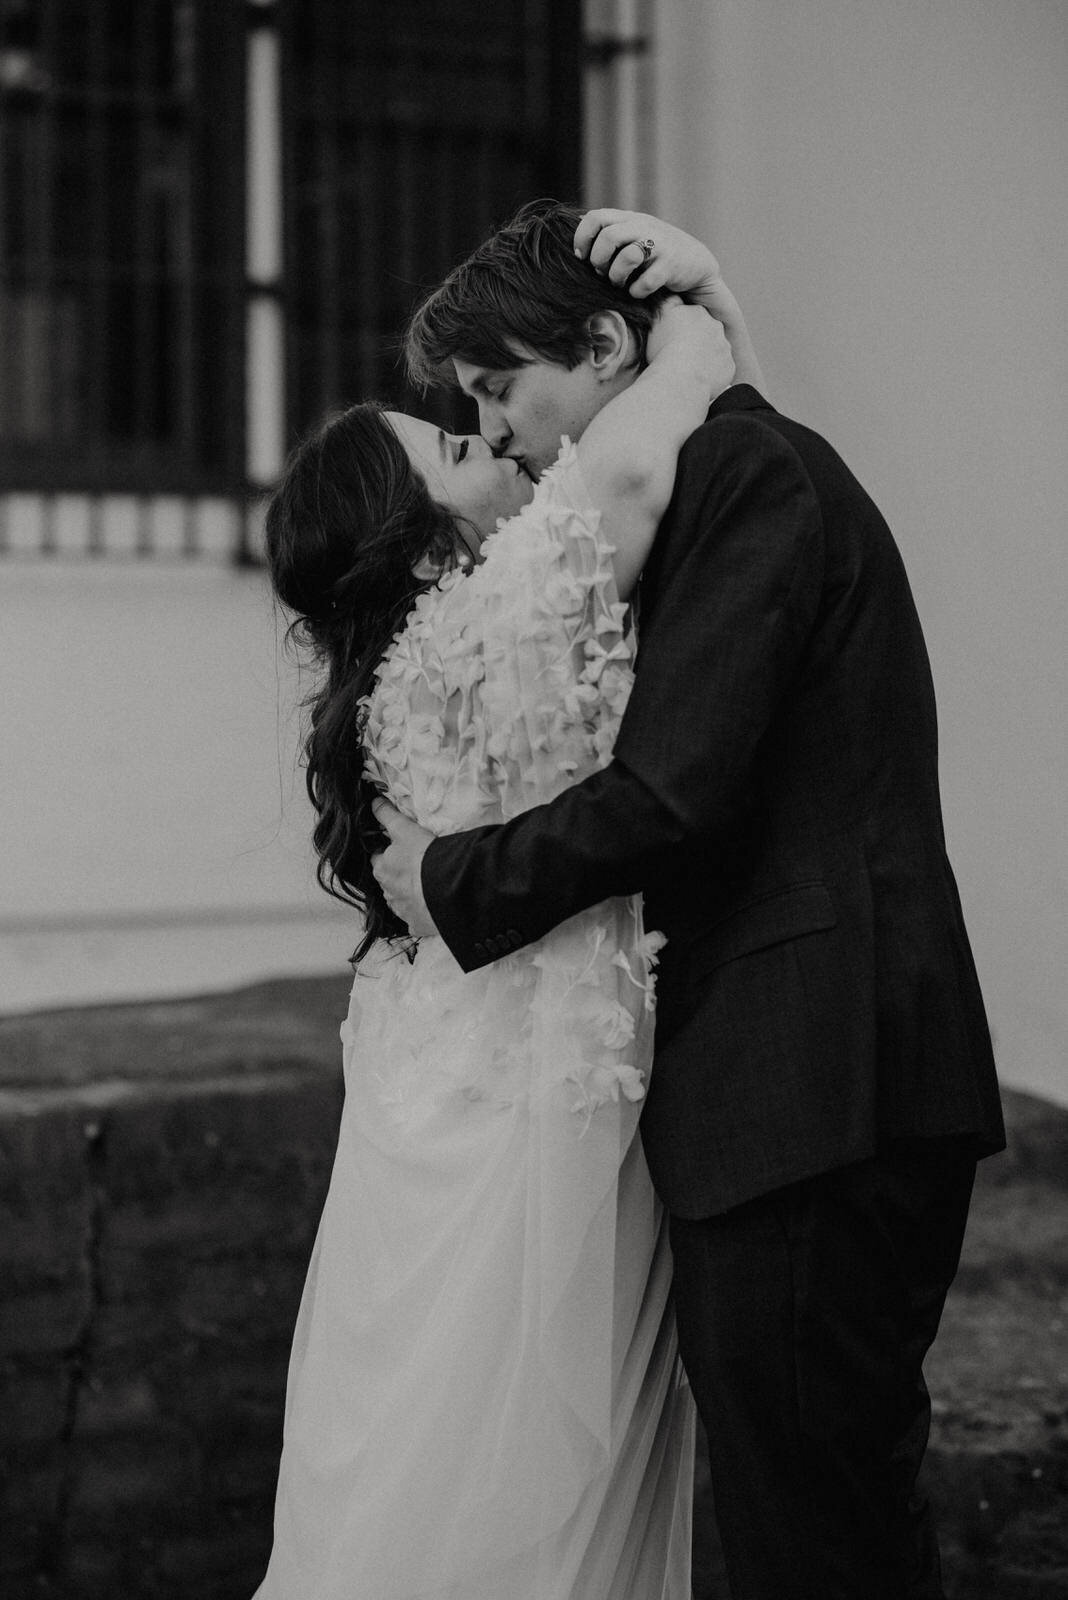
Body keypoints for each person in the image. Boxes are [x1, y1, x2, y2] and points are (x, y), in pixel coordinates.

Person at [372, 201, 1007, 1600]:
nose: (505, 431)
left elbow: (674, 791)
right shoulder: (719, 466)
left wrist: (448, 879)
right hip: (799, 1089)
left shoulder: (747, 471)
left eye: (501, 390)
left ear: (602, 347)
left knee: (815, 1531)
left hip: (821, 1081)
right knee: (815, 1513)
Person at [253, 257, 742, 1598]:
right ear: (413, 534)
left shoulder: (390, 681)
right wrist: (697, 332)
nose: (500, 450)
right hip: (534, 1103)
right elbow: (632, 477)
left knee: (423, 1431)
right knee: (518, 1461)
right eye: (459, 447)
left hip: (442, 1084)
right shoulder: (482, 621)